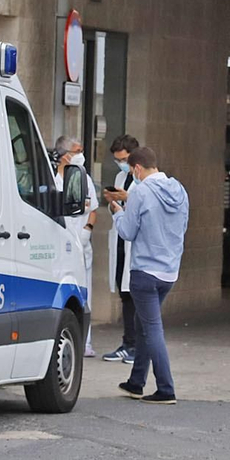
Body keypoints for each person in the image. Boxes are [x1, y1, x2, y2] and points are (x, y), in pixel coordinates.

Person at [111, 146, 189, 405]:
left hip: (145, 271)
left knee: (152, 329)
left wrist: (118, 213)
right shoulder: (179, 190)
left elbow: (128, 232)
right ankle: (136, 382)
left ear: (136, 169)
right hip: (169, 271)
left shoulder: (140, 192)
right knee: (144, 325)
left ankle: (166, 388)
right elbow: (182, 226)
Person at [54, 136, 100, 357]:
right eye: (78, 150)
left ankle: (86, 342)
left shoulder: (83, 178)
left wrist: (87, 230)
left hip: (81, 242)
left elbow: (93, 208)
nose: (82, 154)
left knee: (84, 291)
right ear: (65, 155)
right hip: (58, 243)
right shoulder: (51, 177)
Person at [100, 134, 140, 364]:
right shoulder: (120, 176)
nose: (121, 163)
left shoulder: (144, 180)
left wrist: (127, 199)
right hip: (121, 240)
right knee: (124, 295)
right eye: (117, 160)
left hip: (135, 244)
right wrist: (114, 202)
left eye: (123, 159)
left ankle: (135, 346)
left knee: (134, 296)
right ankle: (128, 343)